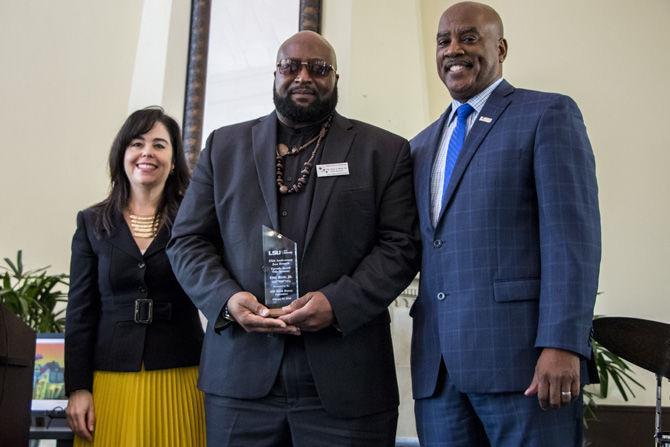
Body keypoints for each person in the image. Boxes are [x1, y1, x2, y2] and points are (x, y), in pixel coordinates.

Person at [166, 30, 420, 446]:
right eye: (291, 66)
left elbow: (401, 246)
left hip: (347, 378)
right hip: (240, 380)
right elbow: (187, 242)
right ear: (275, 74)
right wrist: (227, 300)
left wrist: (338, 304)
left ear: (336, 79)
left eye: (318, 68)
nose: (303, 76)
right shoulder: (223, 147)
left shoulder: (383, 151)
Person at [409, 2, 601, 446]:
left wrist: (563, 343)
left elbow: (573, 239)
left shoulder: (546, 115)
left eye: (469, 37)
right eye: (443, 41)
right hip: (437, 377)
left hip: (525, 367)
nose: (453, 49)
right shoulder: (419, 147)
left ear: (501, 47)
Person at [64, 107, 206, 446]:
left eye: (159, 145)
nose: (147, 153)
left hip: (182, 374)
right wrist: (78, 387)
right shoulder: (91, 222)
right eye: (137, 143)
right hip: (110, 379)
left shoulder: (196, 219)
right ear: (122, 154)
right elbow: (80, 311)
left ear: (173, 161)